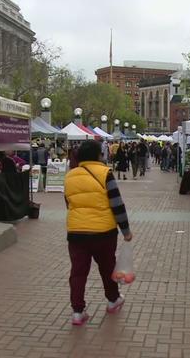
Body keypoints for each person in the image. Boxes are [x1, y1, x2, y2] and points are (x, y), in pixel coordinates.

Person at [64, 140, 132, 326]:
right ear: (97, 155)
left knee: (78, 272)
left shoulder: (70, 176)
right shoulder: (105, 173)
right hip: (103, 232)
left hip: (76, 232)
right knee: (107, 268)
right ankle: (113, 300)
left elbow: (69, 203)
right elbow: (117, 204)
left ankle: (78, 312)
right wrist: (125, 230)